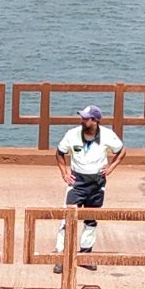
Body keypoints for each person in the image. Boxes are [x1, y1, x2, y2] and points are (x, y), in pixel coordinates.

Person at [53, 104, 126, 274]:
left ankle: (85, 256)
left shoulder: (108, 135)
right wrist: (64, 173)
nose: (82, 120)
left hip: (97, 184)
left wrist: (111, 168)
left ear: (95, 121)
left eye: (86, 118)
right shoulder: (72, 135)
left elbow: (121, 151)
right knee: (66, 219)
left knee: (91, 221)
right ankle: (61, 257)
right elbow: (59, 153)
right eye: (82, 117)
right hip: (77, 183)